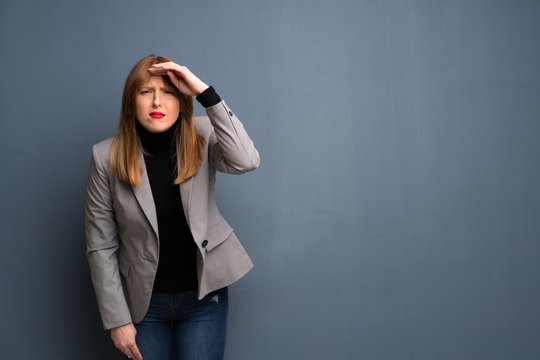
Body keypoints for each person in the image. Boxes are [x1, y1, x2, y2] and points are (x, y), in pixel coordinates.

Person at [85, 54, 260, 360]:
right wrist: (117, 320)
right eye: (145, 92)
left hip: (205, 297)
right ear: (131, 102)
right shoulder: (105, 156)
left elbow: (246, 160)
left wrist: (205, 92)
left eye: (167, 92)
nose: (157, 102)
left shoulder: (203, 135)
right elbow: (100, 245)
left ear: (182, 100)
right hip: (144, 303)